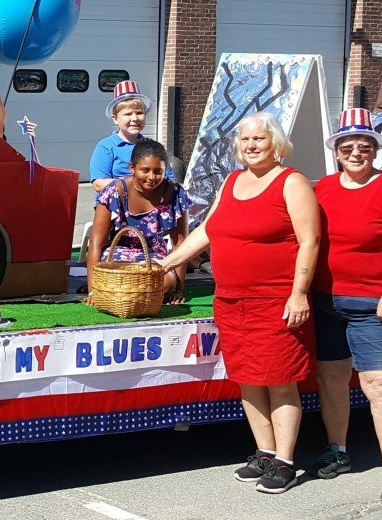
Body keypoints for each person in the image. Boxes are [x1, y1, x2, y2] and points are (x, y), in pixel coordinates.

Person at [155, 113, 320, 494]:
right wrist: (166, 262)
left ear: (275, 143)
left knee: (280, 382)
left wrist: (299, 293)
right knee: (248, 379)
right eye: (245, 140)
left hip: (276, 301)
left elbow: (309, 242)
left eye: (259, 139)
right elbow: (208, 230)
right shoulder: (232, 181)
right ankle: (264, 451)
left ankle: (285, 461)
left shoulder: (292, 183)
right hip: (231, 301)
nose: (251, 146)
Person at [310, 108, 382, 505]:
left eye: (364, 146)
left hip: (374, 305)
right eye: (348, 147)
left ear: (375, 149)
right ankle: (337, 450)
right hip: (325, 303)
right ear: (337, 151)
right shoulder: (320, 189)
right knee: (331, 380)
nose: (356, 153)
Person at [85, 137, 190, 303]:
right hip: (117, 255)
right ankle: (128, 296)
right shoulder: (115, 191)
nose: (151, 177)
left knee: (166, 283)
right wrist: (93, 290)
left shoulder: (175, 193)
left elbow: (180, 245)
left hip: (154, 257)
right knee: (123, 282)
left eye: (158, 171)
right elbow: (96, 243)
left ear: (165, 170)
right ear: (132, 168)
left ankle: (126, 297)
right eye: (145, 170)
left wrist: (178, 289)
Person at [89, 79, 152, 191]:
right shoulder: (106, 147)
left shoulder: (152, 147)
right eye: (128, 114)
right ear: (115, 119)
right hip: (116, 206)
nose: (135, 118)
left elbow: (170, 178)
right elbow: (98, 183)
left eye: (139, 113)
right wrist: (134, 185)